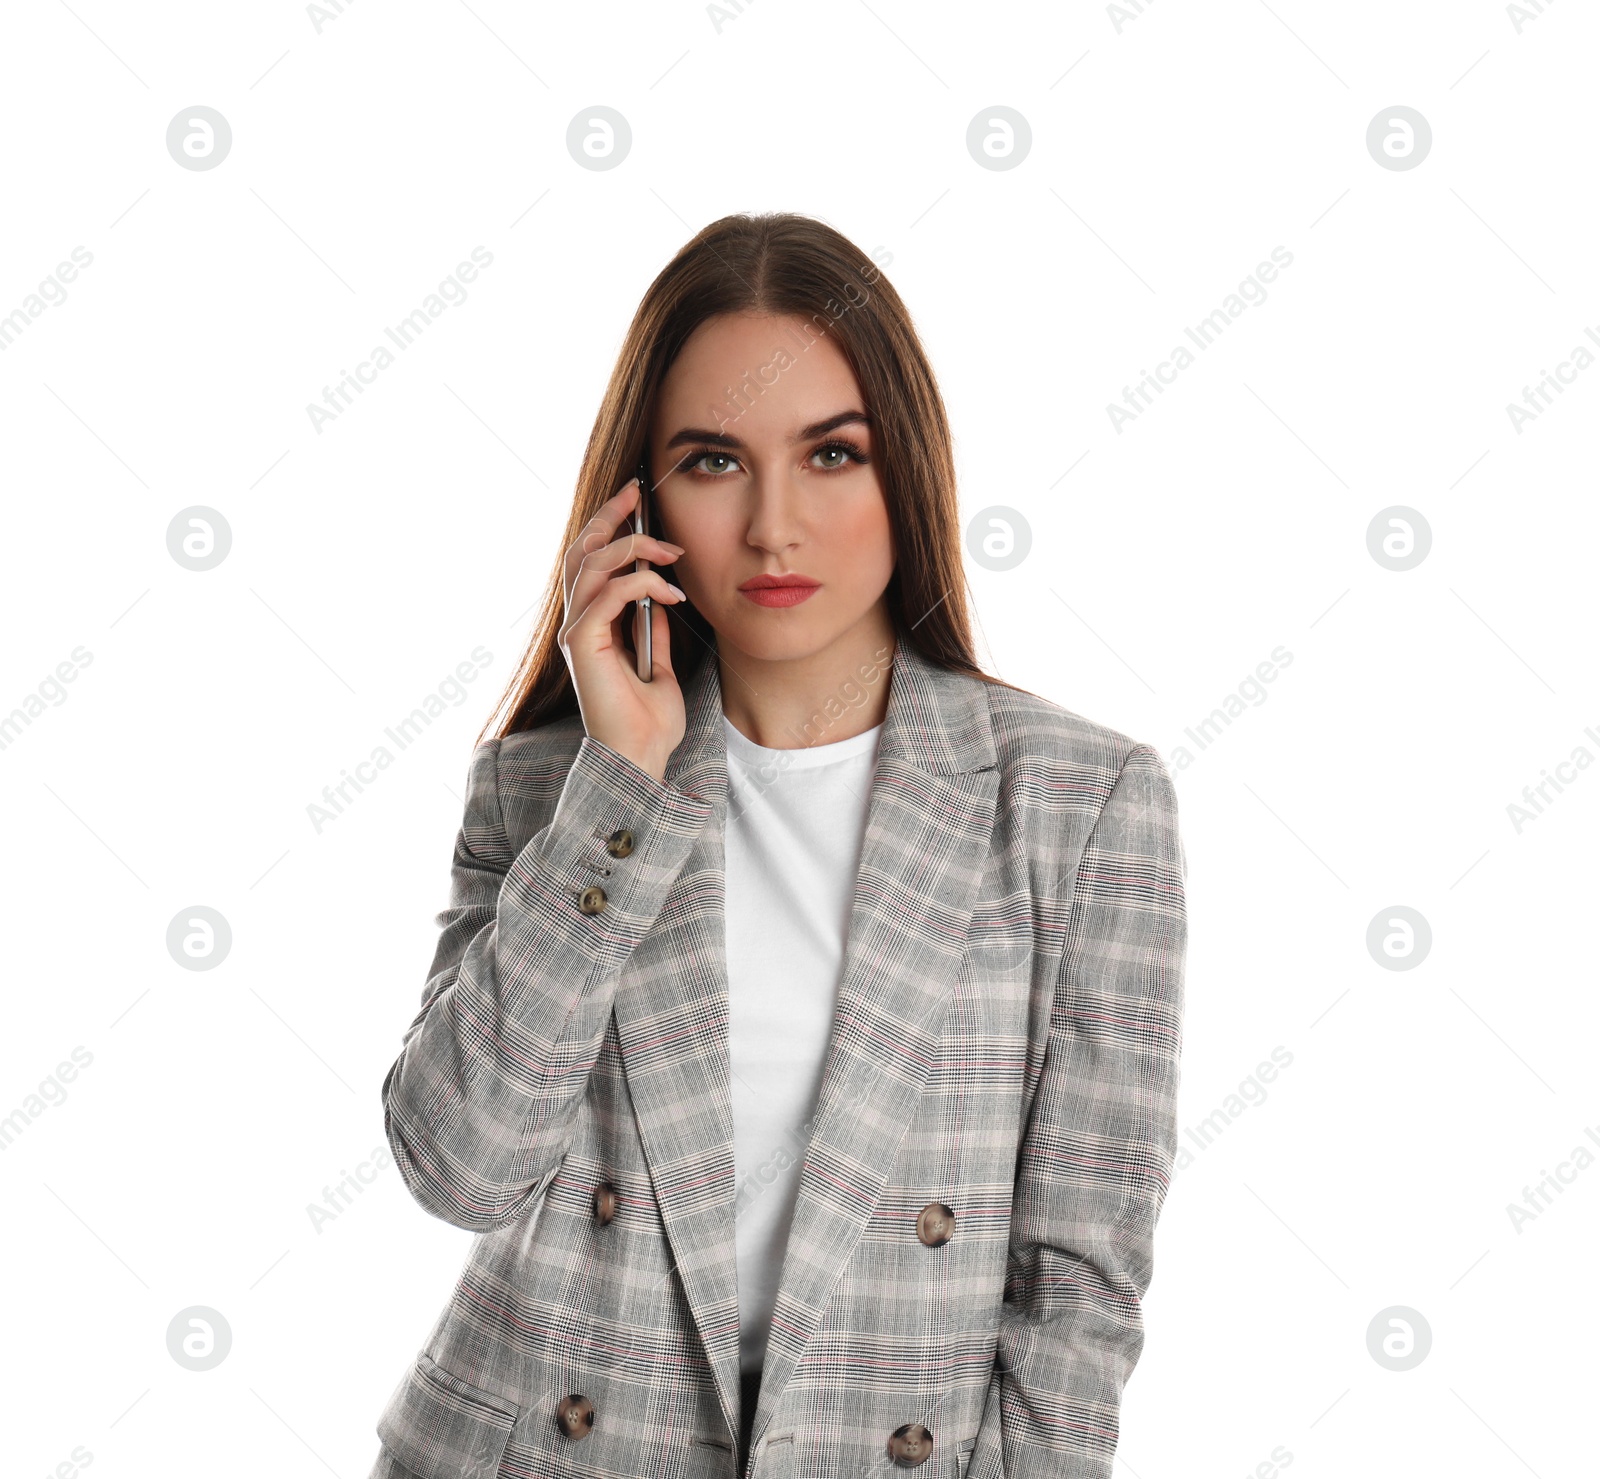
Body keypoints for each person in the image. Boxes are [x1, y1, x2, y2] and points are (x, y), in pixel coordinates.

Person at [367, 211, 1187, 1479]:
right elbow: (459, 1171)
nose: (774, 527)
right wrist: (620, 780)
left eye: (831, 455)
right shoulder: (550, 790)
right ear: (637, 504)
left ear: (902, 468)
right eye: (712, 462)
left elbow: (1079, 1279)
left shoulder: (1083, 805)